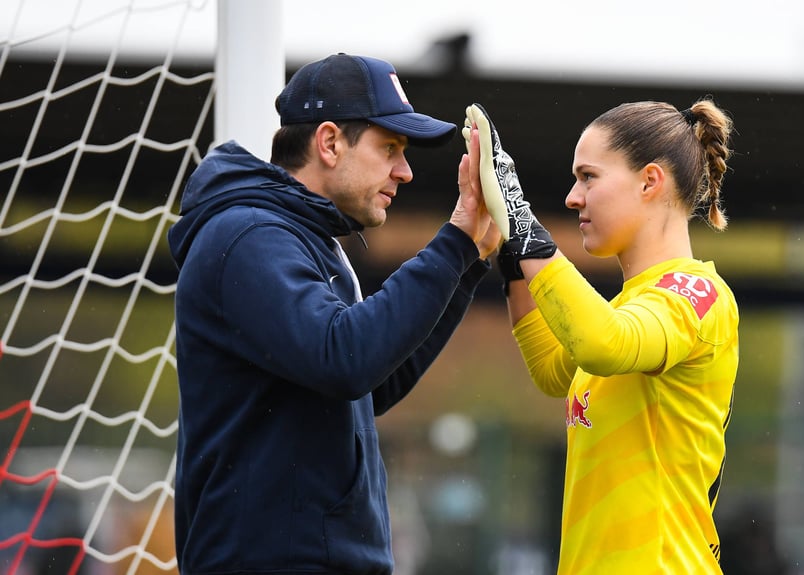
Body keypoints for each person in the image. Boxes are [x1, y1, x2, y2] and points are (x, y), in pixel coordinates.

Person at [167, 53, 499, 574]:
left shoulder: (305, 237)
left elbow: (375, 381)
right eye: (389, 148)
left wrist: (467, 263)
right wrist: (454, 241)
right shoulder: (249, 235)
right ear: (329, 143)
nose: (405, 171)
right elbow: (346, 358)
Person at [462, 99, 739, 573]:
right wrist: (512, 248)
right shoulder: (626, 308)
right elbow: (552, 369)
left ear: (650, 181)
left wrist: (521, 217)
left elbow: (602, 344)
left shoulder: (698, 293)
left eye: (588, 177)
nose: (573, 197)